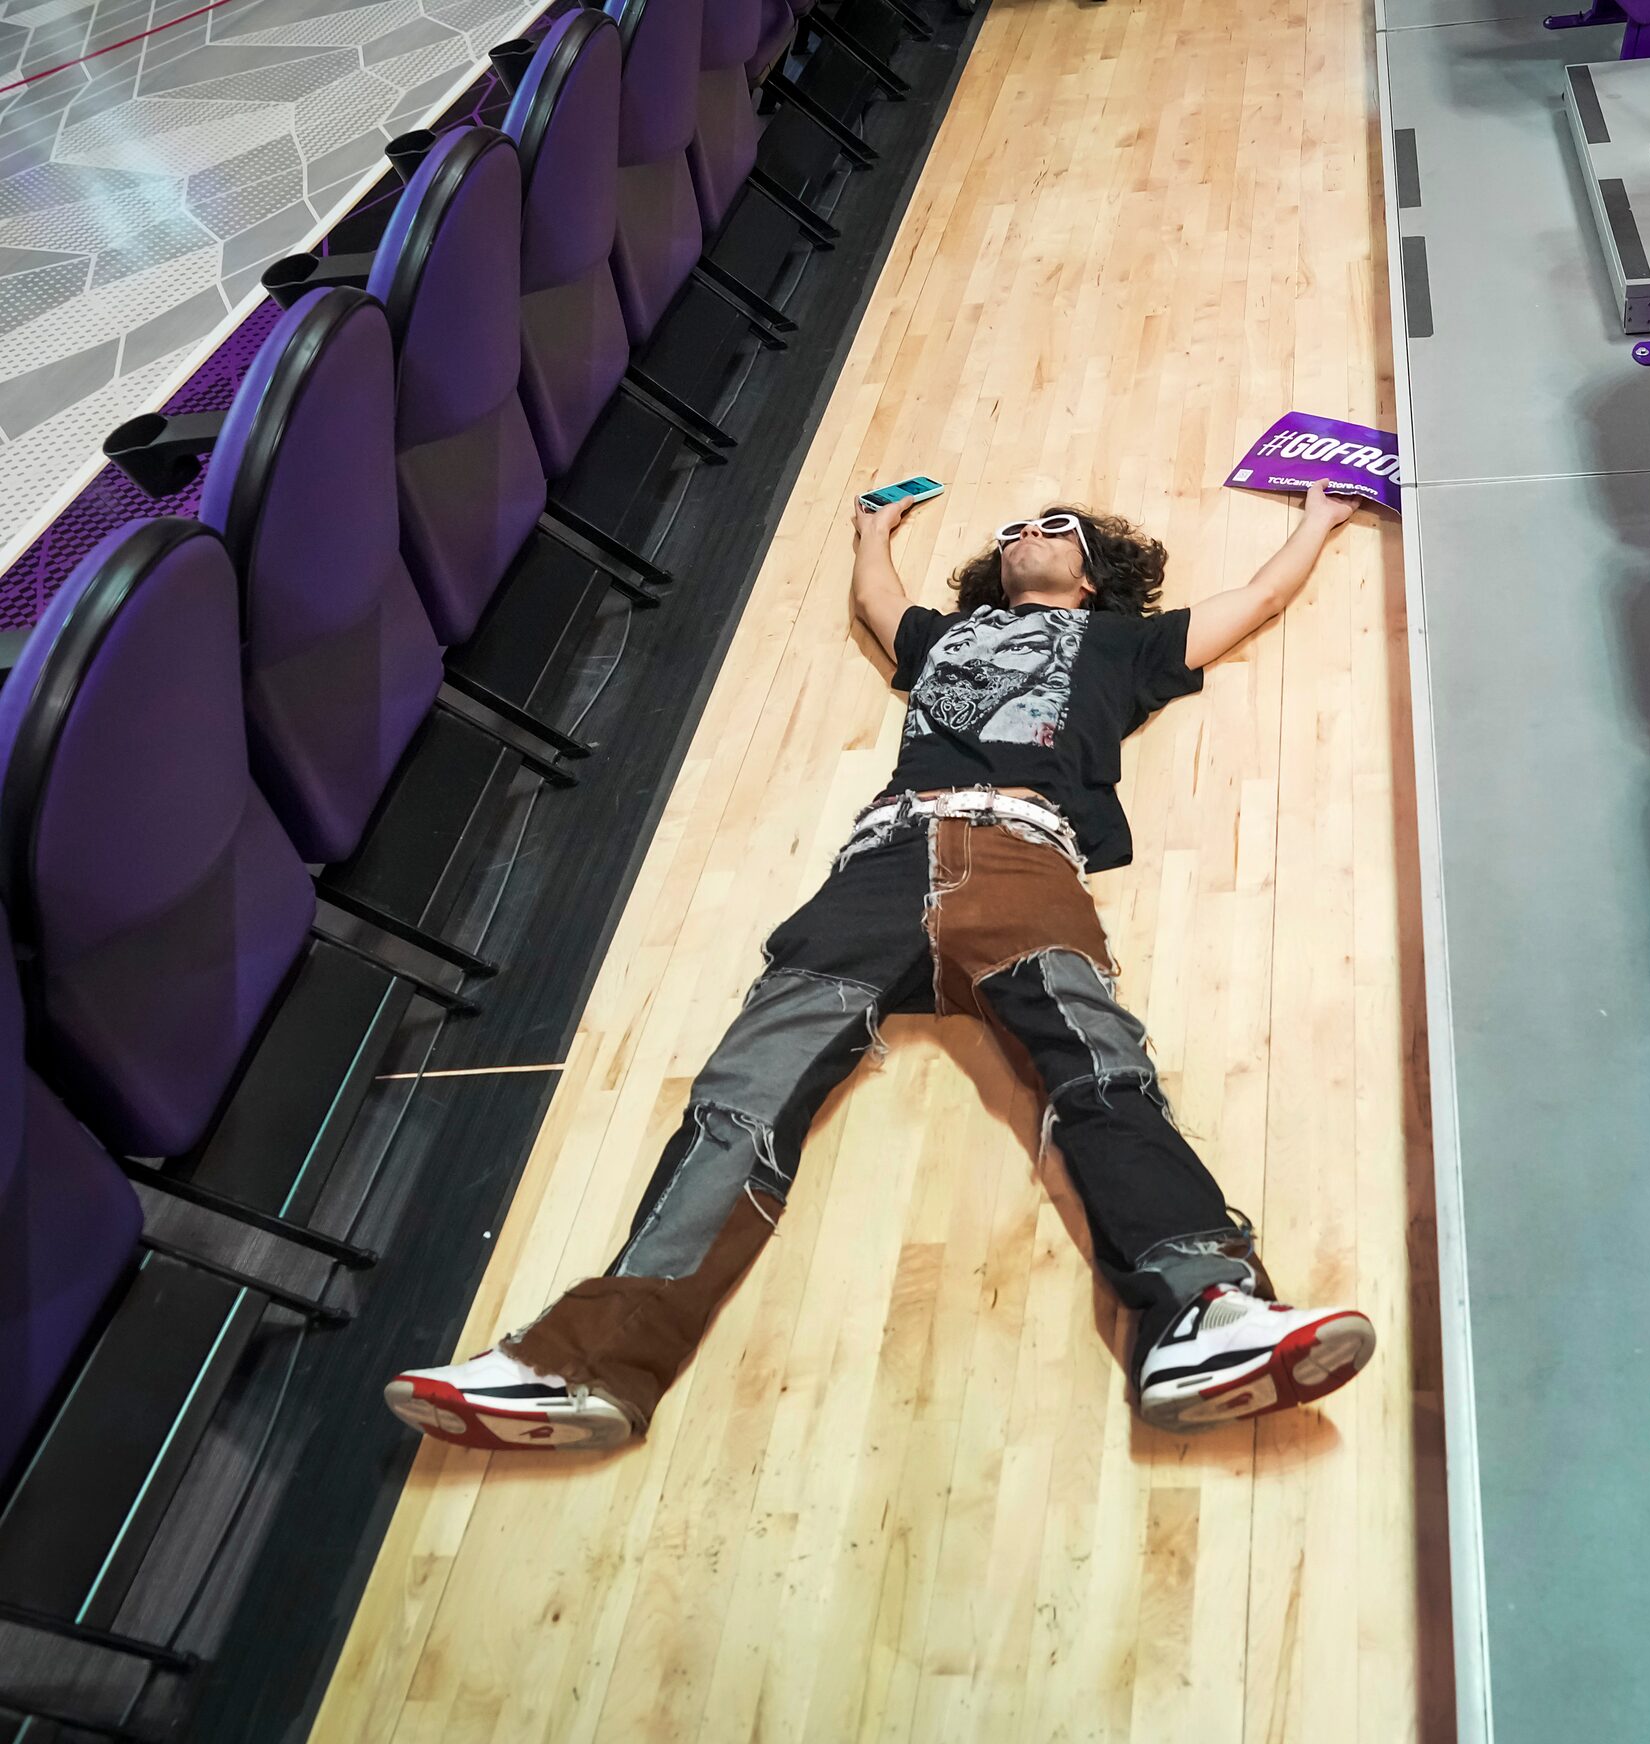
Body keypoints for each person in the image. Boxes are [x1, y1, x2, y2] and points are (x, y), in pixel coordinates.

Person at [386, 481, 1373, 1450]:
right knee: (741, 1092)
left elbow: (1256, 601)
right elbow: (877, 604)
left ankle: (1203, 1314)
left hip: (1021, 860)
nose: (1029, 531)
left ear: (1093, 574)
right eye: (1015, 526)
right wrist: (872, 530)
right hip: (876, 869)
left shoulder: (1128, 644)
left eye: (1054, 524)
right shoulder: (944, 636)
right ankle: (583, 1363)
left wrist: (1322, 521)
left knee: (1103, 1077)